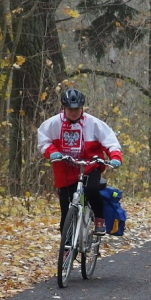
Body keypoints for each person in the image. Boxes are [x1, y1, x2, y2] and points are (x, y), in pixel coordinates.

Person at [37, 88, 122, 236]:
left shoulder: (94, 123)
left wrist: (115, 157)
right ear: (63, 107)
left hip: (90, 165)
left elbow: (110, 142)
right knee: (66, 206)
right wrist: (52, 152)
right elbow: (43, 141)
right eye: (70, 109)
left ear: (82, 108)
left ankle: (99, 219)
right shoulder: (52, 124)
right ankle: (67, 250)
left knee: (91, 189)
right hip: (65, 168)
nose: (73, 112)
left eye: (77, 109)